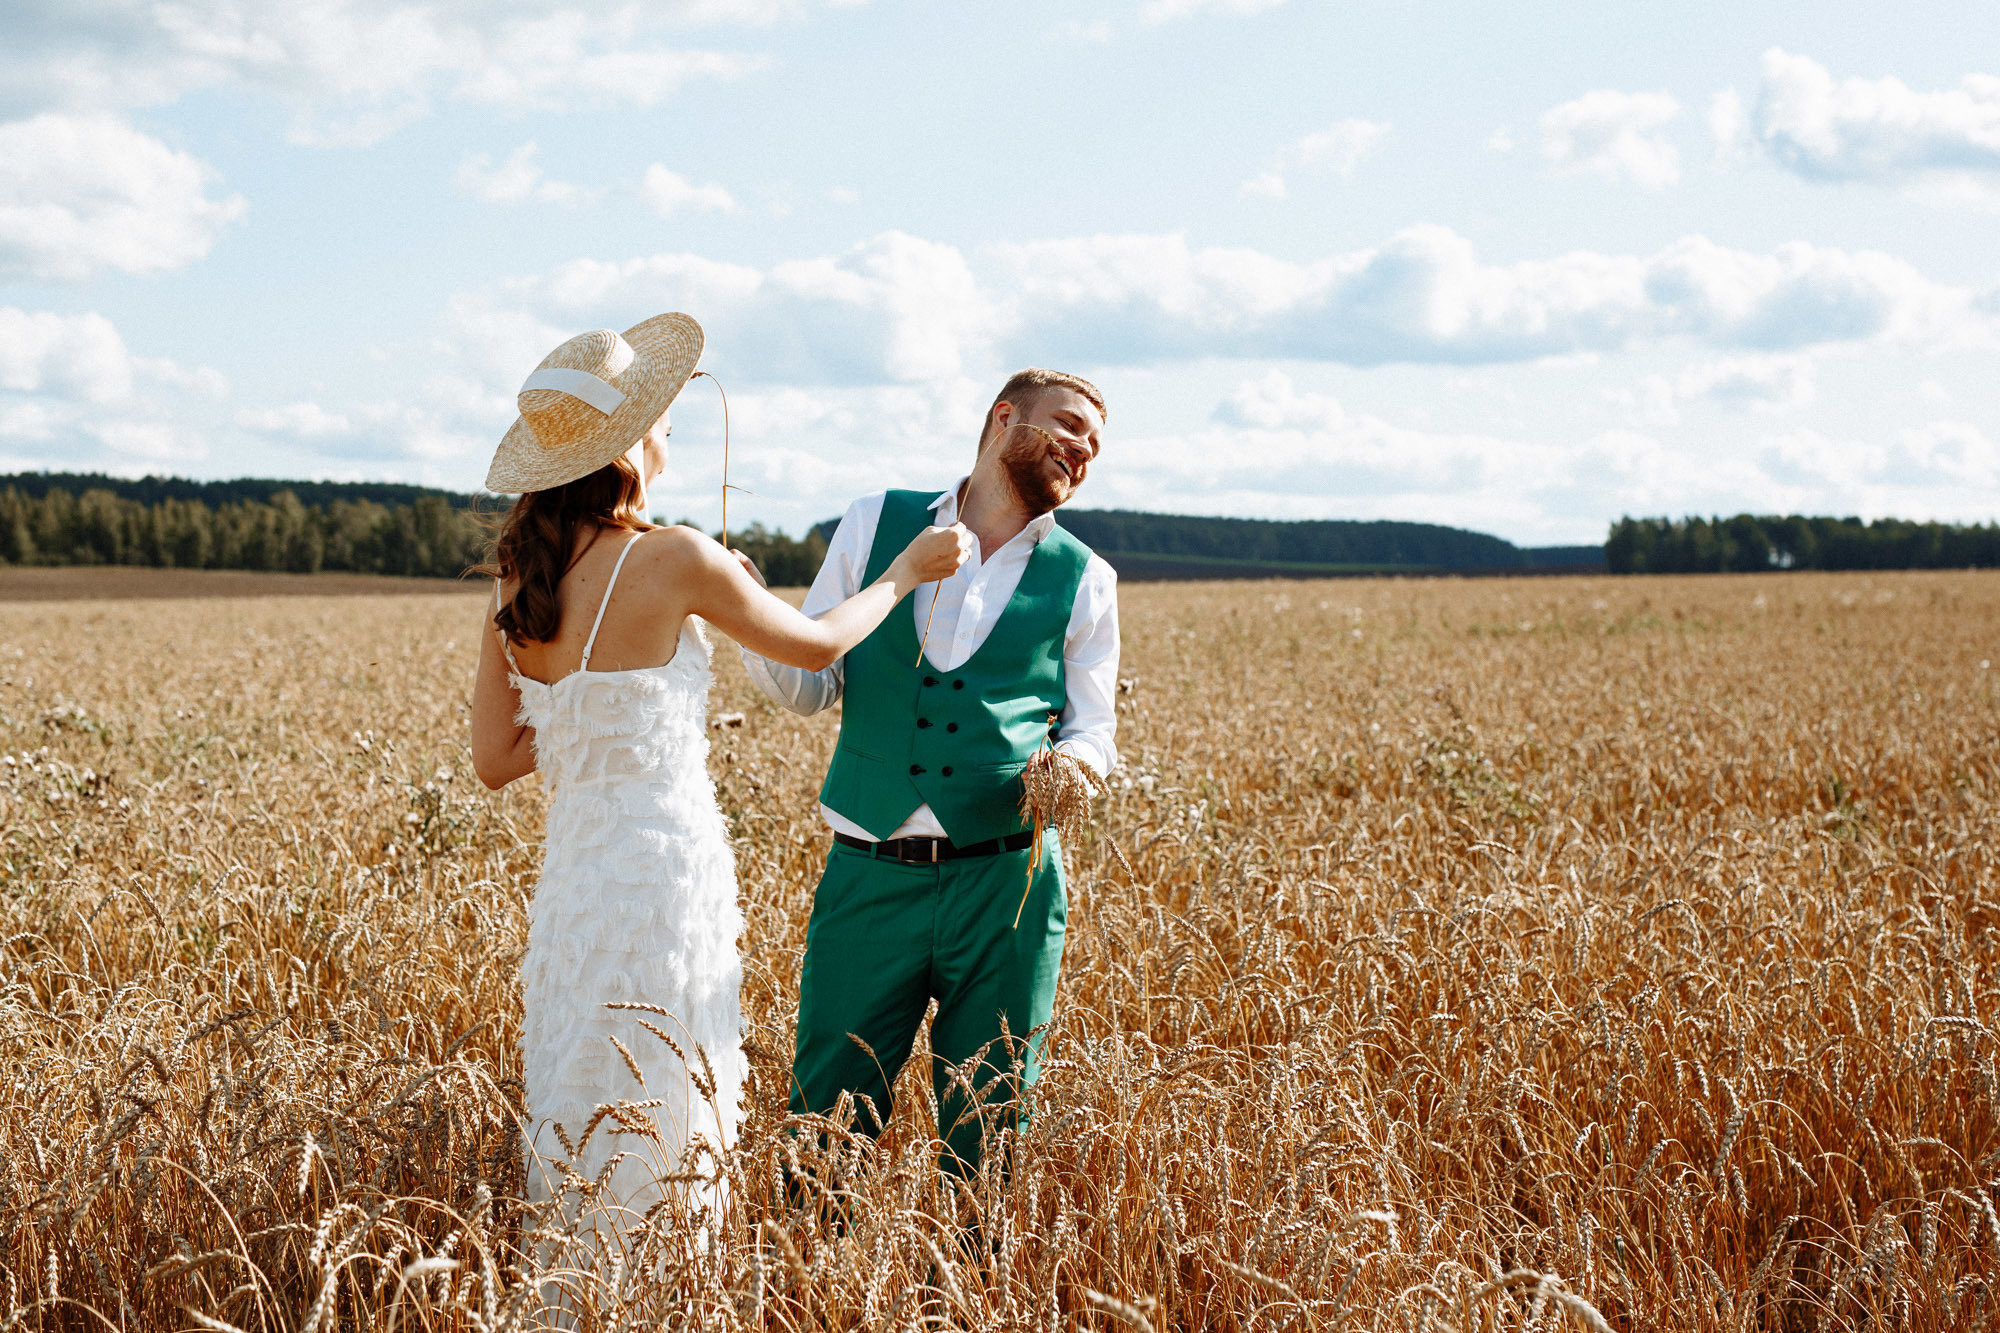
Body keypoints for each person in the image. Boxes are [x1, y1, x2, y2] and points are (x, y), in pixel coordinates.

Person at [468, 313, 971, 1219]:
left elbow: (496, 758)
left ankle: (581, 1273)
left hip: (577, 886)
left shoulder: (517, 580)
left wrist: (598, 708)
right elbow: (818, 647)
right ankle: (665, 1278)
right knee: (665, 1085)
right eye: (657, 413)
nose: (668, 424)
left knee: (583, 1084)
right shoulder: (678, 556)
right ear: (630, 442)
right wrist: (903, 571)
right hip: (663, 874)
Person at [739, 368, 1119, 1178]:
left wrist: (1075, 766)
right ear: (1004, 417)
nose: (1083, 447)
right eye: (1069, 424)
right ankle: (815, 1260)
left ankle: (973, 1263)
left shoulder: (1086, 576)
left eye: (1095, 442)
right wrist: (748, 613)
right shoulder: (875, 521)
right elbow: (810, 685)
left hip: (1009, 889)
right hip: (869, 875)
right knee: (825, 1121)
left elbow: (1093, 728)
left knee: (993, 1127)